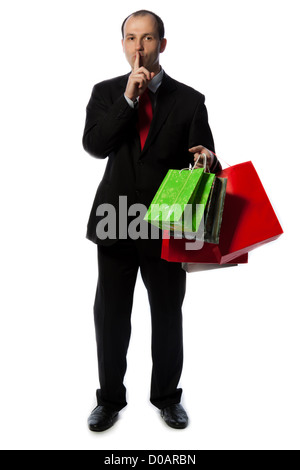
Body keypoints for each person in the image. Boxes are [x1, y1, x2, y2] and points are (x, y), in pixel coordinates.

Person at [82, 9, 221, 432]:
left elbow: (208, 165)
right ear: (123, 43)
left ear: (162, 44)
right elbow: (95, 145)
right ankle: (109, 400)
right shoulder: (106, 92)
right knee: (111, 317)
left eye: (146, 39)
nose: (138, 47)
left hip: (166, 225)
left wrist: (207, 159)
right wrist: (128, 99)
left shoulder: (189, 100)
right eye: (130, 38)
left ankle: (166, 398)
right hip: (116, 220)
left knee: (166, 314)